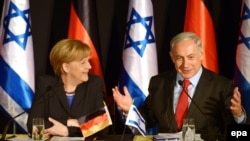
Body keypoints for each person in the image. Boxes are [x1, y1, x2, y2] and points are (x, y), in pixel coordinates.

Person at [112, 32, 246, 140]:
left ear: (201, 55)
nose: (185, 64)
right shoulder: (159, 83)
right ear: (172, 57)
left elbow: (235, 130)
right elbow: (148, 120)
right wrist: (130, 109)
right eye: (179, 58)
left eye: (191, 57)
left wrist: (238, 115)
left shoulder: (220, 85)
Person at [27, 39, 107, 138]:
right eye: (83, 63)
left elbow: (102, 126)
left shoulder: (94, 84)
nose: (89, 66)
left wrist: (67, 131)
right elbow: (33, 126)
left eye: (88, 61)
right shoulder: (47, 85)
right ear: (66, 67)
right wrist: (69, 122)